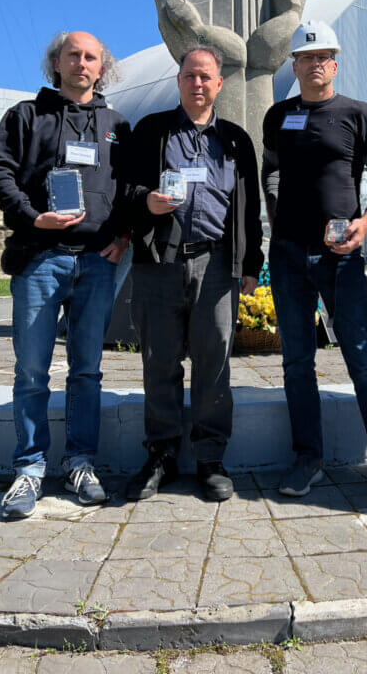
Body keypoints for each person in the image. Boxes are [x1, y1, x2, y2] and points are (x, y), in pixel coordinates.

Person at [262, 20, 367, 511]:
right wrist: (277, 214)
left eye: (324, 56)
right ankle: (307, 458)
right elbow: (271, 171)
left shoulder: (359, 114)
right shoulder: (279, 115)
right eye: (307, 58)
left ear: (336, 62)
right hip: (289, 256)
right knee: (297, 363)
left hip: (343, 255)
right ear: (294, 65)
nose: (316, 64)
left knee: (364, 361)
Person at [0, 31, 131, 519]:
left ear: (101, 68)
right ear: (57, 62)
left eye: (91, 57)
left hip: (96, 263)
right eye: (73, 55)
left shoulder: (116, 125)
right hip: (40, 258)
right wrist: (31, 216)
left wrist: (124, 235)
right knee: (31, 371)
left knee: (87, 371)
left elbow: (131, 187)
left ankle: (80, 463)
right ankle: (28, 470)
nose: (82, 63)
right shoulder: (26, 116)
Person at [125, 45, 262, 503]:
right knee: (159, 362)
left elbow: (250, 207)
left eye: (206, 77)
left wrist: (251, 264)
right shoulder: (151, 131)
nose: (198, 83)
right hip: (159, 263)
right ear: (178, 80)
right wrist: (146, 201)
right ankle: (161, 456)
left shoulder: (237, 140)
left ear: (219, 83)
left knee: (214, 364)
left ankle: (209, 459)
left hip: (218, 264)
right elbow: (124, 186)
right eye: (190, 76)